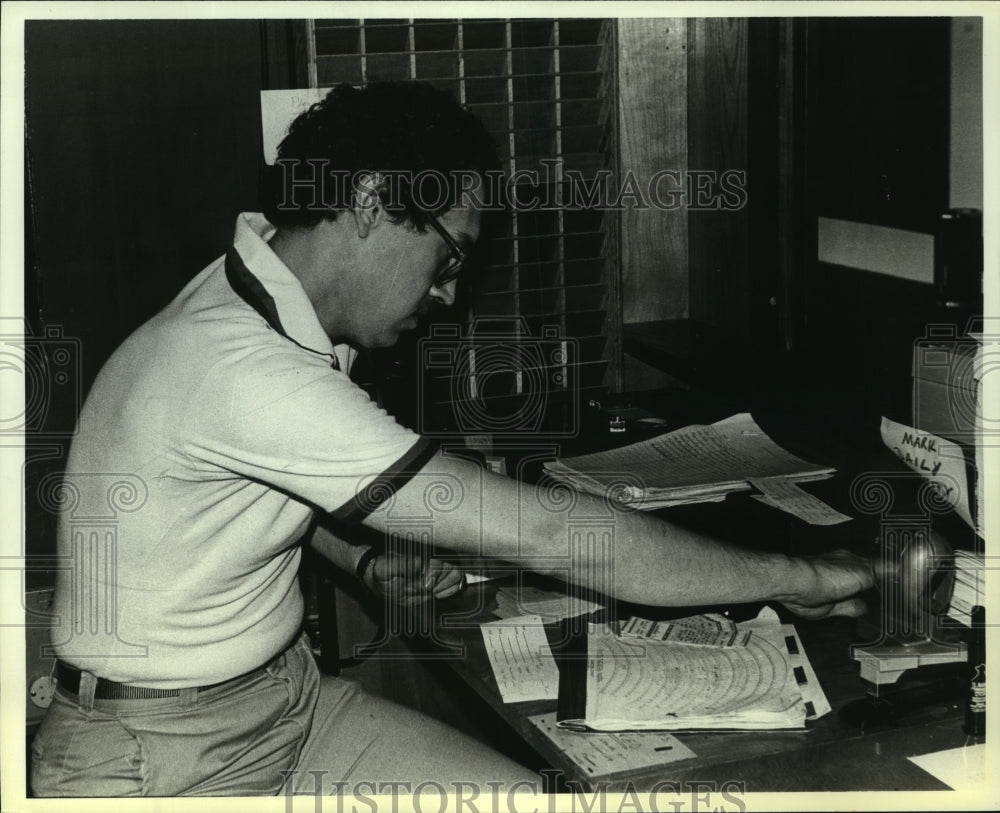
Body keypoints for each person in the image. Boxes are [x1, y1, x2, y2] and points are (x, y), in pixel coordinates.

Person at [31, 81, 874, 798]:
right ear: (367, 204)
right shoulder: (246, 367)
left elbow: (248, 476)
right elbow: (550, 534)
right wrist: (801, 576)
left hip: (287, 700)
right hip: (157, 755)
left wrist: (360, 559)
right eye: (446, 258)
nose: (448, 292)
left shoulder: (261, 289)